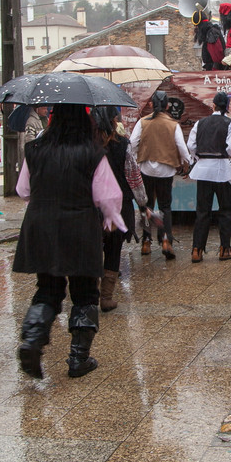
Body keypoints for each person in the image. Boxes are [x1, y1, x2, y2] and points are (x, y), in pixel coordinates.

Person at [14, 104, 126, 379]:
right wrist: (114, 218)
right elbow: (108, 196)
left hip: (41, 224)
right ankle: (78, 359)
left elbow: (23, 190)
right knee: (85, 291)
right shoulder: (92, 152)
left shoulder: (35, 149)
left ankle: (32, 340)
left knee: (48, 288)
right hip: (79, 225)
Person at [129, 90, 191, 259]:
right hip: (166, 170)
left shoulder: (143, 122)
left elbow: (133, 143)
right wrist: (188, 164)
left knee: (146, 206)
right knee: (165, 206)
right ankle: (165, 239)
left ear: (151, 104)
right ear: (167, 105)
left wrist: (136, 159)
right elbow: (182, 148)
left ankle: (146, 242)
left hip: (145, 168)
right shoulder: (173, 124)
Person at [93, 107, 143, 312]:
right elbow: (133, 176)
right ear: (114, 121)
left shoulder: (87, 146)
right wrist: (143, 202)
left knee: (93, 247)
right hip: (118, 206)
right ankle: (106, 297)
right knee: (114, 248)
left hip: (92, 206)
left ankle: (90, 291)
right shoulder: (123, 144)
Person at [187, 91, 231, 262]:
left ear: (213, 106)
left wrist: (197, 157)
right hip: (222, 170)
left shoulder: (200, 123)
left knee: (202, 211)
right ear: (227, 107)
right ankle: (224, 249)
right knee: (225, 210)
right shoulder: (230, 123)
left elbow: (191, 145)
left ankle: (197, 249)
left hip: (203, 170)